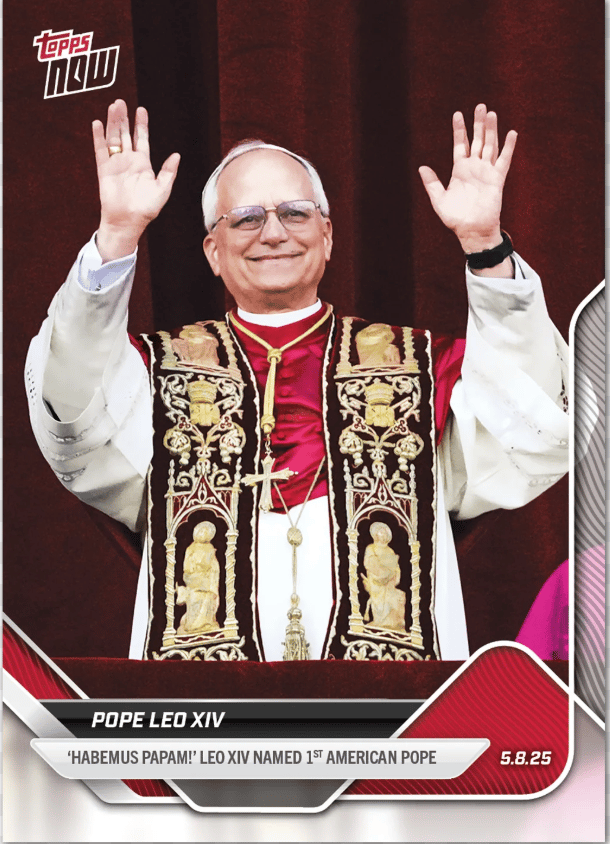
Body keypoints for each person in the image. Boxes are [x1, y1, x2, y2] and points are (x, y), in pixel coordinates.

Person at [25, 100, 569, 663]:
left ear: (327, 236)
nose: (273, 232)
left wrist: (486, 246)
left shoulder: (418, 369)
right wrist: (116, 238)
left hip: (387, 706)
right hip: (209, 710)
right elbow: (74, 407)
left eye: (295, 213)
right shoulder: (156, 373)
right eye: (246, 218)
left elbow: (528, 425)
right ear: (213, 251)